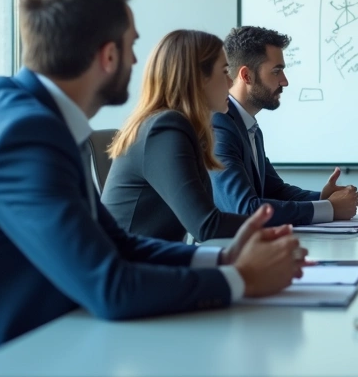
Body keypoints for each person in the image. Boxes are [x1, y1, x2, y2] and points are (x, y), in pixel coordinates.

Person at [0, 0, 305, 377]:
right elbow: (110, 288)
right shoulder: (23, 135)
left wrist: (222, 260)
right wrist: (242, 280)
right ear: (108, 55)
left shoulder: (30, 115)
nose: (138, 61)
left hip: (42, 353)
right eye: (132, 45)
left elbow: (116, 242)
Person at [103, 29, 251, 242]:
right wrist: (281, 225)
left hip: (156, 261)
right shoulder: (164, 129)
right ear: (198, 79)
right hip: (135, 268)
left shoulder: (174, 126)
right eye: (225, 71)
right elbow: (206, 226)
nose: (231, 83)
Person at [212, 26, 358, 226]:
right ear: (246, 76)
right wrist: (330, 208)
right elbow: (245, 208)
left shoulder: (248, 127)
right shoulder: (219, 127)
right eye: (277, 71)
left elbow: (276, 190)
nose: (285, 81)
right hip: (227, 253)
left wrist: (323, 198)